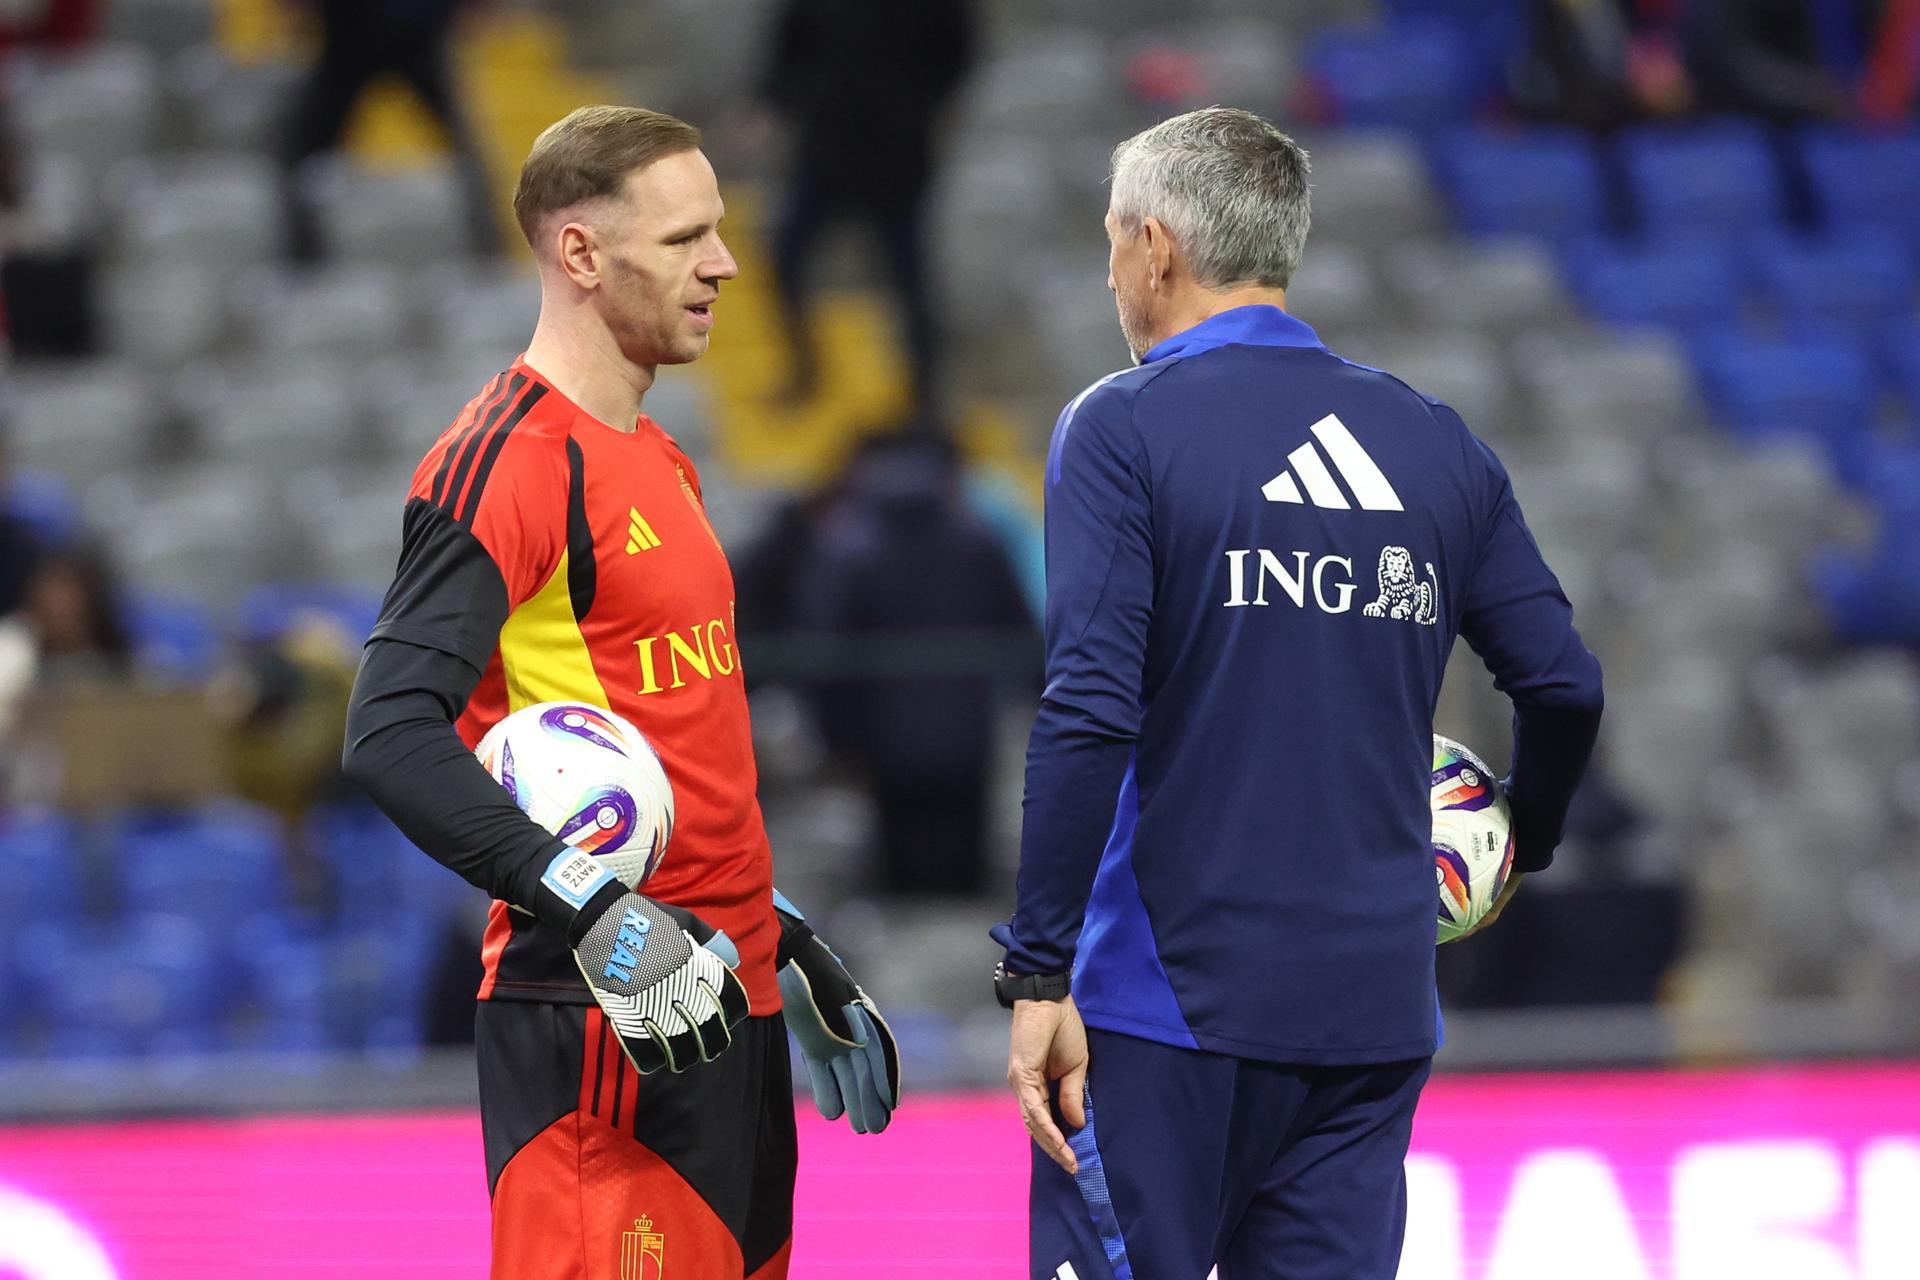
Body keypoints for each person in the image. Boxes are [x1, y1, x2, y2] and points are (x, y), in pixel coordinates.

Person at [993, 108, 1604, 1280]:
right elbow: (1565, 686)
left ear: (1156, 248)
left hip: (1169, 1004)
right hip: (1372, 1011)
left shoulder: (1122, 426)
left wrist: (1038, 969)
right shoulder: (1435, 441)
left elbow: (1089, 705)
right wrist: (1522, 840)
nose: (1111, 272)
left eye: (1114, 240)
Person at [340, 105, 898, 1280]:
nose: (725, 263)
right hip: (606, 1027)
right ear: (582, 254)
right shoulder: (505, 462)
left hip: (723, 1003)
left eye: (719, 230)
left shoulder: (662, 456)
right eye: (685, 237)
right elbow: (387, 730)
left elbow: (667, 752)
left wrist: (776, 933)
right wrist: (596, 908)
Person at [796, 431, 1036, 896]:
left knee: (899, 877)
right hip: (967, 737)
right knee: (966, 877)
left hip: (883, 743)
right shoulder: (978, 541)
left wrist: (835, 738)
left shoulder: (848, 548)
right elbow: (1019, 631)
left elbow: (824, 652)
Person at [758, 0, 976, 417]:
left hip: (896, 157)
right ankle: (805, 370)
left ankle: (924, 399)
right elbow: (790, 49)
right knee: (785, 257)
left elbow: (955, 54)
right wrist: (785, 101)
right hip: (826, 151)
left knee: (909, 282)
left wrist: (916, 105)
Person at [276, 0, 500, 263]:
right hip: (350, 41)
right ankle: (300, 250)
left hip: (413, 38)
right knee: (305, 155)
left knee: (466, 155)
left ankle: (488, 245)